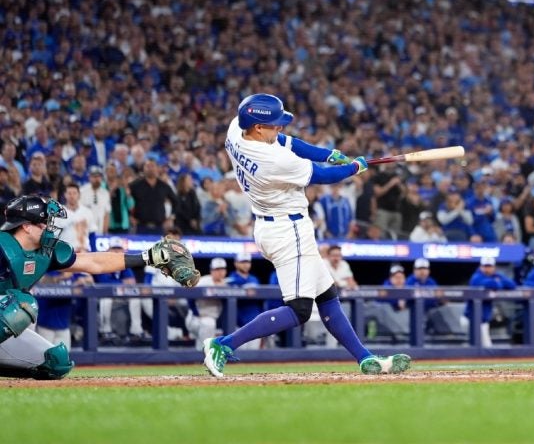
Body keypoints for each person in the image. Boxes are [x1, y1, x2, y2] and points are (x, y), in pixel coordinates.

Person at [202, 93, 409, 377]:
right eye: (274, 124)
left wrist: (328, 154)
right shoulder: (274, 161)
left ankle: (365, 358)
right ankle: (223, 344)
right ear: (258, 127)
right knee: (299, 309)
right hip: (288, 231)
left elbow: (288, 142)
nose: (280, 127)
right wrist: (355, 167)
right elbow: (324, 177)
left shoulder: (237, 130)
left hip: (272, 226)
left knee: (327, 296)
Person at [1, 195, 195, 380]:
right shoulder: (3, 246)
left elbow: (95, 262)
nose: (48, 228)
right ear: (26, 226)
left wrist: (147, 257)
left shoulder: (45, 253)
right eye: (43, 223)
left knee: (55, 362)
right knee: (22, 304)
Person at [463, 256, 516, 347]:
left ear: (494, 267)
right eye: (485, 266)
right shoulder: (476, 277)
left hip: (482, 319)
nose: (487, 269)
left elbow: (512, 285)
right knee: (483, 347)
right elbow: (492, 284)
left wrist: (497, 281)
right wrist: (497, 282)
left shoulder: (496, 275)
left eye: (490, 266)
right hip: (472, 319)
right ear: (481, 267)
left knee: (483, 347)